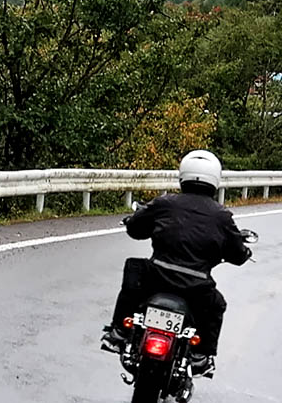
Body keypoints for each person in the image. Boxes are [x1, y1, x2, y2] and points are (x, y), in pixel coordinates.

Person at [100, 150, 252, 377]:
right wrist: (243, 250)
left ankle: (119, 331)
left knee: (134, 267)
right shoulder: (222, 216)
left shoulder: (165, 203)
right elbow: (238, 255)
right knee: (217, 304)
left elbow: (135, 228)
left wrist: (137, 222)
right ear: (215, 179)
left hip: (157, 277)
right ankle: (201, 356)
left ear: (183, 175)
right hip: (196, 288)